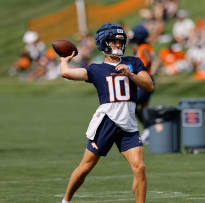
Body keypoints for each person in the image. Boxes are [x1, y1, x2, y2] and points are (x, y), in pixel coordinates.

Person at [60, 23, 154, 203]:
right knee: (86, 166)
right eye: (113, 42)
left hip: (128, 124)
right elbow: (66, 74)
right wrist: (64, 61)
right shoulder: (96, 69)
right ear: (103, 43)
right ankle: (66, 201)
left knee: (139, 167)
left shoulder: (133, 62)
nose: (118, 45)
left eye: (120, 42)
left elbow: (149, 85)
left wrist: (130, 75)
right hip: (107, 122)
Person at [129, 24, 155, 129]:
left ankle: (148, 126)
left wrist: (142, 69)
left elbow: (148, 60)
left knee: (132, 103)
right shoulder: (143, 46)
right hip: (148, 78)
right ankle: (149, 128)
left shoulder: (143, 47)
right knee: (144, 106)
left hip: (145, 78)